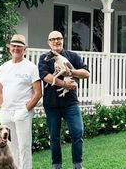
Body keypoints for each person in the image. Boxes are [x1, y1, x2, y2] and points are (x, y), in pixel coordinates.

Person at [38, 31, 90, 169]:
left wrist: (71, 72)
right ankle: (57, 165)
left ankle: (78, 165)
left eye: (59, 38)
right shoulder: (44, 58)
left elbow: (86, 73)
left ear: (63, 40)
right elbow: (45, 76)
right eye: (53, 39)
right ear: (48, 42)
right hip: (51, 104)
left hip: (70, 103)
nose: (56, 41)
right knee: (54, 137)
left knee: (77, 132)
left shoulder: (72, 56)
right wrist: (65, 84)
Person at [0, 34, 42, 169]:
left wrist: (26, 109)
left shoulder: (31, 67)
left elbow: (38, 92)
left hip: (22, 112)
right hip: (6, 112)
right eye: (13, 46)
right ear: (9, 48)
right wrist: (1, 106)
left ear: (24, 49)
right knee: (11, 147)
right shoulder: (4, 67)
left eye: (19, 46)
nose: (16, 48)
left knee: (24, 147)